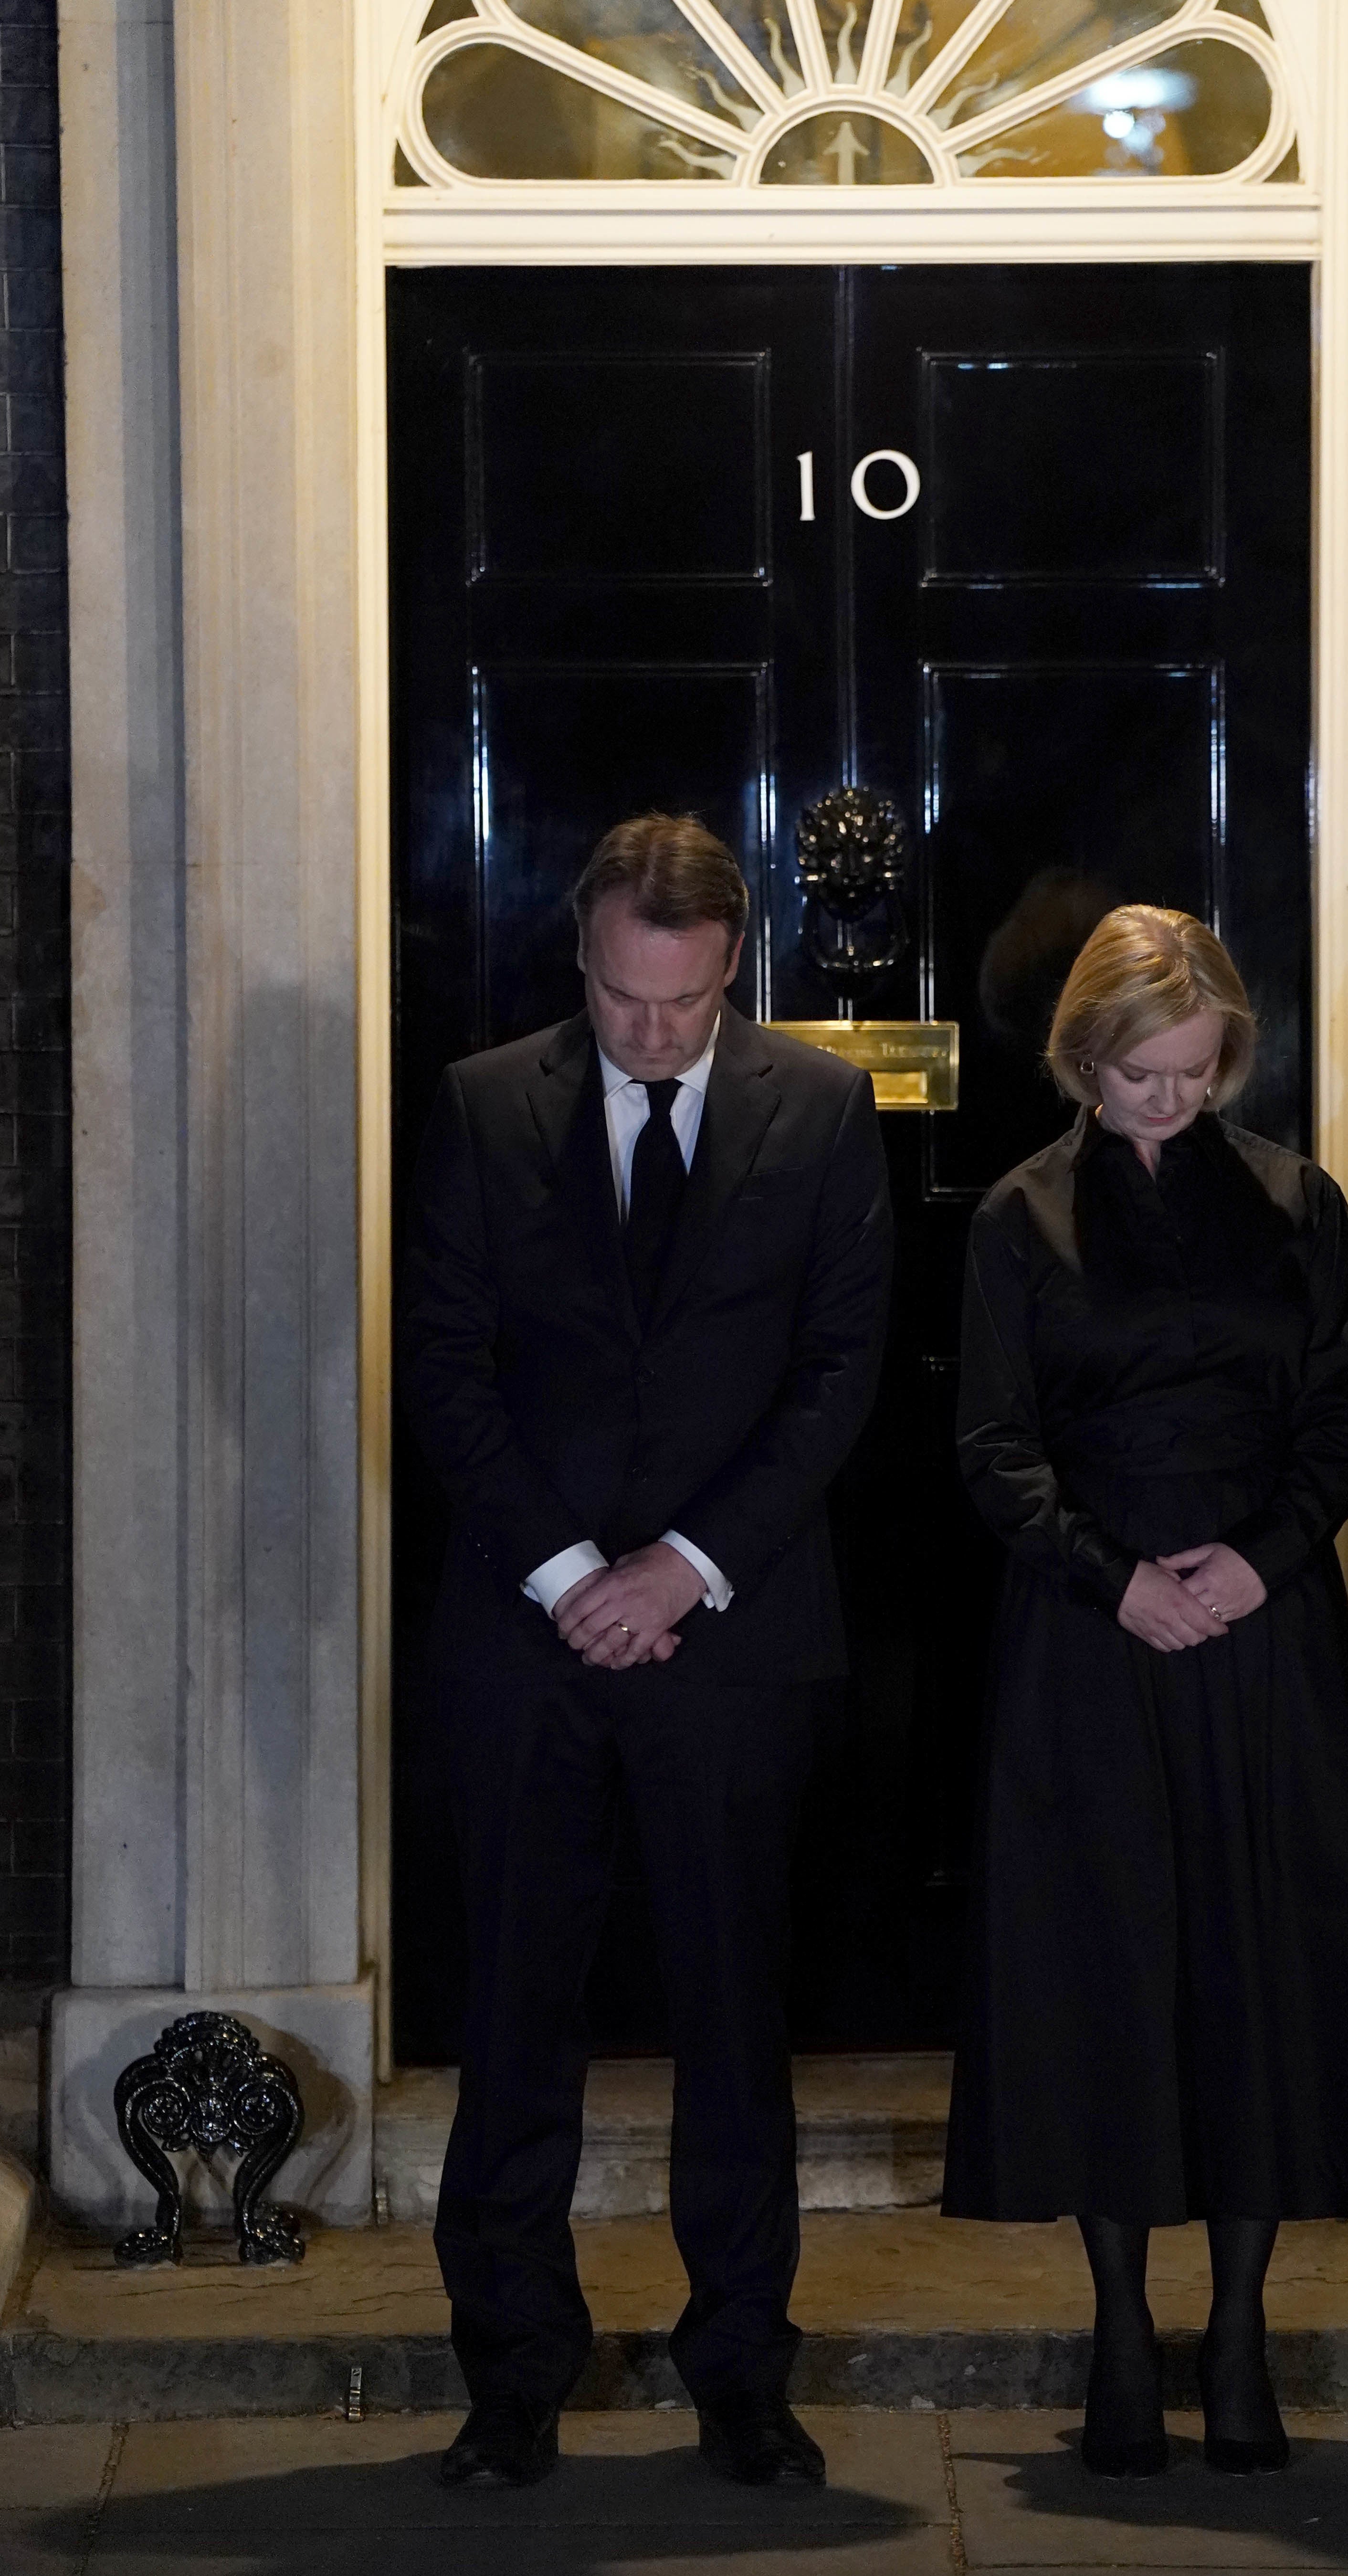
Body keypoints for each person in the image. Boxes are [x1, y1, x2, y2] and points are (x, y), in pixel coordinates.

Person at [401, 813, 893, 2492]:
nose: (655, 1033)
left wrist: (682, 1569)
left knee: (733, 2019)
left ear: (733, 967)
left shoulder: (823, 1109)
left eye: (684, 1004)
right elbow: (444, 1368)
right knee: (517, 2016)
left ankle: (741, 2373)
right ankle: (511, 2379)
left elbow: (841, 1372)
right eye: (625, 1001)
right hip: (525, 1644)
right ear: (587, 965)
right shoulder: (481, 1104)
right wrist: (565, 1577)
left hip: (733, 1644)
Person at [943, 904, 1348, 2479]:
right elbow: (991, 1447)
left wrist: (1257, 1562)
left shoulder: (1303, 1205)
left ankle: (1235, 2334)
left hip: (1262, 1631)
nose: (1167, 1101)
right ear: (1081, 1060)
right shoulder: (1018, 1219)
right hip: (1089, 1642)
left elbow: (1344, 1420)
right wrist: (1117, 1577)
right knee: (1105, 1966)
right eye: (1136, 1075)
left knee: (1256, 1971)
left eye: (1193, 1071)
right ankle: (1116, 2330)